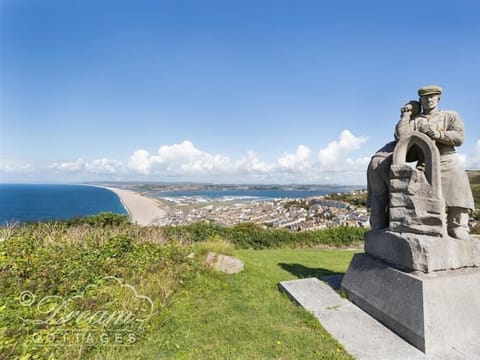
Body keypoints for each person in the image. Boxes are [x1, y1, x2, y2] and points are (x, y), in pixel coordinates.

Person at [367, 85, 474, 240]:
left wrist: (439, 134)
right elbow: (401, 136)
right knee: (423, 197)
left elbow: (459, 138)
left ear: (438, 98)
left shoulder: (450, 115)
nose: (429, 99)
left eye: (432, 96)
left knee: (458, 191)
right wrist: (405, 115)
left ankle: (458, 226)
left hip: (447, 160)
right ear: (420, 100)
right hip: (426, 163)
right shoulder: (416, 120)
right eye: (425, 97)